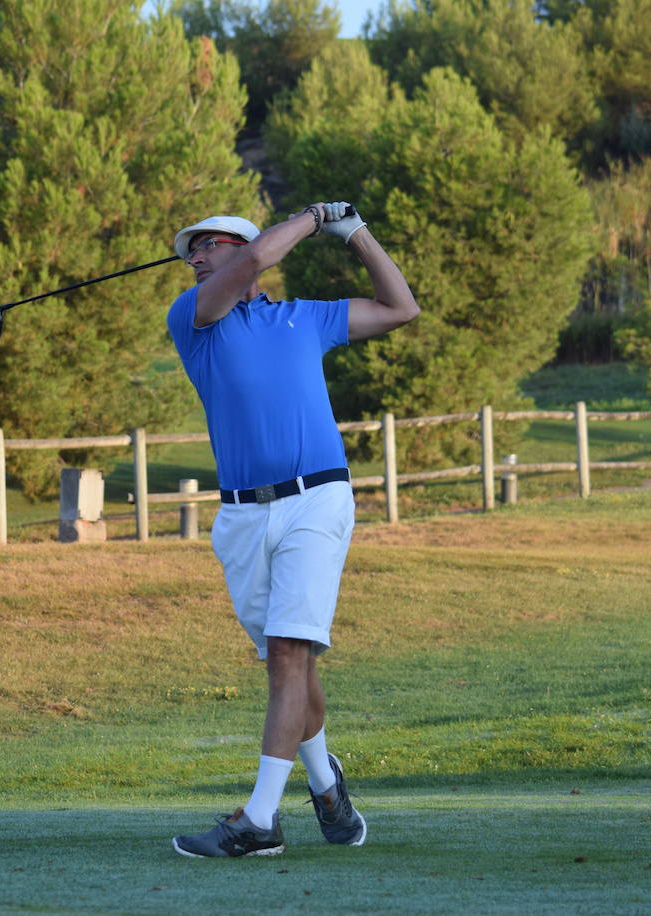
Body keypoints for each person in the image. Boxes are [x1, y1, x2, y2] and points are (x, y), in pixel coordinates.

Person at [165, 201, 420, 858]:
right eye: (191, 252)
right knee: (293, 668)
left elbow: (400, 308)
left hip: (317, 500)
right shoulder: (195, 320)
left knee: (288, 654)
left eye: (208, 246)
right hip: (242, 517)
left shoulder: (306, 317)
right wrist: (313, 215)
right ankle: (324, 783)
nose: (195, 258)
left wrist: (354, 231)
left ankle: (259, 820)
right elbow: (253, 259)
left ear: (246, 247)